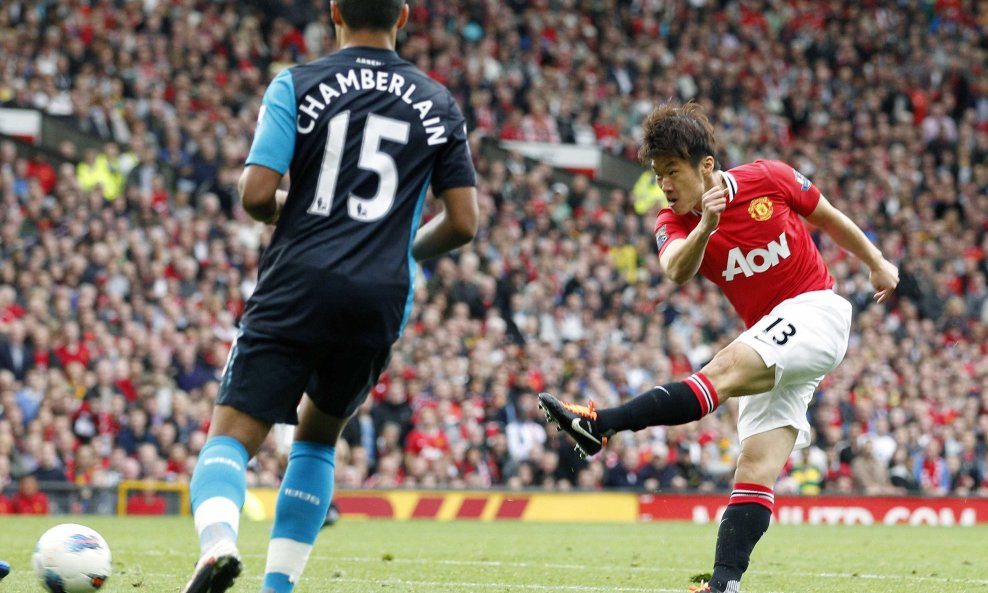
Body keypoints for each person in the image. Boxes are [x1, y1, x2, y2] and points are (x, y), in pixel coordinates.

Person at [538, 101, 898, 593]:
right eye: (658, 173)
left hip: (817, 311)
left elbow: (829, 217)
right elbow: (675, 271)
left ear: (705, 166)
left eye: (672, 171)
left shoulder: (769, 178)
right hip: (774, 336)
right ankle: (725, 584)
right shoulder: (674, 221)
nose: (665, 185)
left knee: (722, 368)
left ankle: (603, 425)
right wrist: (706, 226)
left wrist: (876, 261)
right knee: (753, 467)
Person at [181, 2, 479, 592]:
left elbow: (255, 193)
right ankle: (276, 588)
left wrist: (285, 211)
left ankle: (217, 546)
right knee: (318, 440)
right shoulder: (439, 103)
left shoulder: (296, 83)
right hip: (379, 296)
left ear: (335, 11)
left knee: (231, 436)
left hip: (298, 282)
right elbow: (465, 222)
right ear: (404, 15)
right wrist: (398, 249)